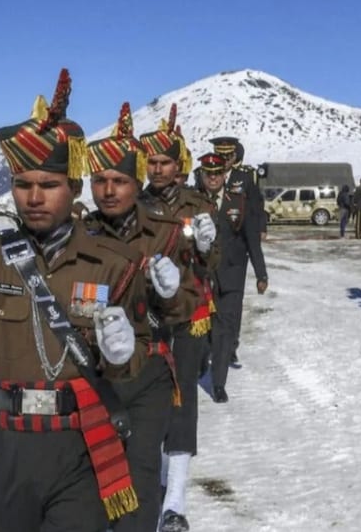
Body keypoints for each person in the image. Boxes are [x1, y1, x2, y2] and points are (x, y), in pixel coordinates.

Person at [0, 68, 150, 531]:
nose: (34, 197)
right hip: (8, 444)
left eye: (49, 185)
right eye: (23, 185)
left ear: (74, 188)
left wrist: (124, 354)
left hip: (80, 442)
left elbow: (134, 358)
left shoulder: (113, 264)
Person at [85, 102, 202, 531]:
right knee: (90, 478)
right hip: (92, 372)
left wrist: (171, 294)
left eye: (119, 181)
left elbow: (188, 302)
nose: (108, 191)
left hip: (148, 368)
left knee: (141, 472)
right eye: (99, 181)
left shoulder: (164, 232)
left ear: (136, 184)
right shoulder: (80, 233)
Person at [139, 104, 220, 532]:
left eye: (164, 162)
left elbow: (215, 263)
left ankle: (175, 499)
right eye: (151, 162)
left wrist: (207, 248)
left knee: (182, 397)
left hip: (188, 314)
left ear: (178, 166)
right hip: (147, 316)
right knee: (148, 397)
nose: (157, 169)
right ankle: (150, 478)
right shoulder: (134, 203)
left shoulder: (198, 204)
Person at [201, 137, 268, 404]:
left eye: (218, 171)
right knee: (205, 325)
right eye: (209, 173)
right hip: (203, 273)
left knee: (225, 326)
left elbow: (251, 232)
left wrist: (261, 273)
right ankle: (204, 357)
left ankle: (218, 382)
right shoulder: (196, 198)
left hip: (232, 270)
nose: (214, 176)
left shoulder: (241, 192)